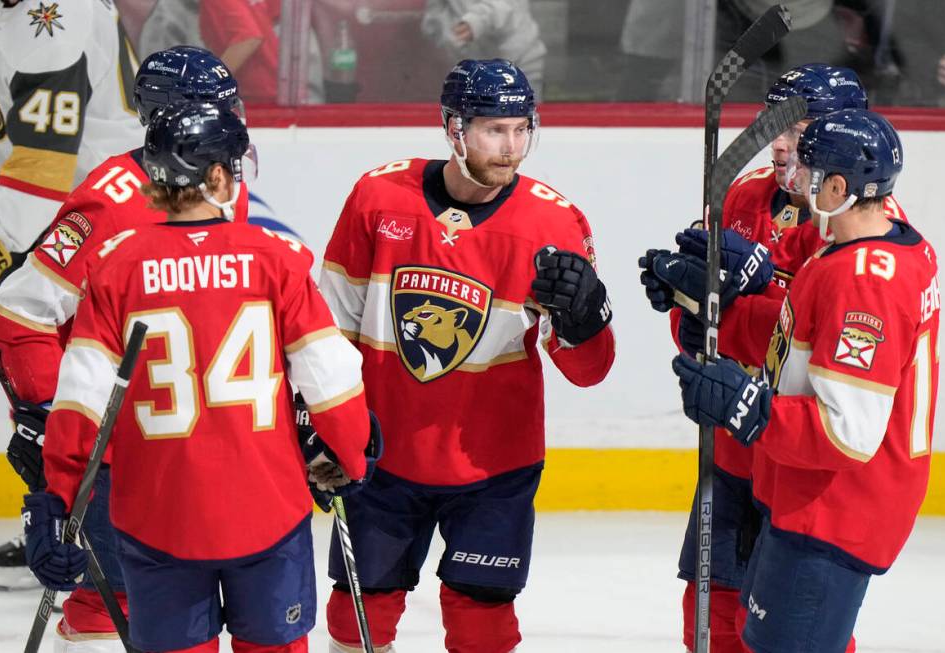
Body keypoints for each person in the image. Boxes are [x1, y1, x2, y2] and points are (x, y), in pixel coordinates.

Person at [25, 100, 377, 653]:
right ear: (216, 174)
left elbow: (79, 405)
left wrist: (58, 500)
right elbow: (331, 381)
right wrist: (350, 459)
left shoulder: (116, 267)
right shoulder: (275, 259)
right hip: (268, 510)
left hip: (155, 515)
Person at [318, 58, 615, 652]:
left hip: (494, 464)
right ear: (453, 128)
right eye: (493, 129)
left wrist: (586, 315)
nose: (512, 147)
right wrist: (325, 424)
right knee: (359, 611)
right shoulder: (378, 197)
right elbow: (331, 329)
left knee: (482, 618)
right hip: (383, 452)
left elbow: (588, 371)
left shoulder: (553, 221)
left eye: (522, 128)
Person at [638, 63, 909, 653]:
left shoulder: (863, 230)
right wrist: (685, 301)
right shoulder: (742, 194)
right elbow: (697, 335)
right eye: (774, 123)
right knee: (709, 626)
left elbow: (809, 351)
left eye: (801, 126)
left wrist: (744, 302)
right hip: (737, 454)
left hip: (804, 469)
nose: (781, 142)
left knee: (797, 632)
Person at [0, 46, 247, 649]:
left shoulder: (223, 179)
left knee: (195, 598)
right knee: (109, 602)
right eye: (218, 108)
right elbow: (14, 314)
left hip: (187, 439)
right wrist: (54, 420)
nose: (234, 118)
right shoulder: (111, 199)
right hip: (120, 447)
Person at [0, 0, 142, 301]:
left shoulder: (56, 21)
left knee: (21, 328)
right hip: (62, 211)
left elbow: (42, 172)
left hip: (100, 221)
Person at [421, 0, 547, 98]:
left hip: (519, 62)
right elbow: (434, 17)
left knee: (526, 121)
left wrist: (477, 20)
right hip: (475, 70)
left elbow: (507, 5)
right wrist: (448, 35)